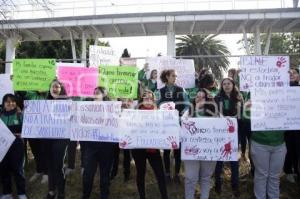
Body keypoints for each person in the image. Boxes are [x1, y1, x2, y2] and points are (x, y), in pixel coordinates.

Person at [131, 89, 168, 199]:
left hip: (153, 149)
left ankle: (164, 196)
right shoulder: (134, 113)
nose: (148, 100)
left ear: (153, 100)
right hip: (138, 149)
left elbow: (165, 129)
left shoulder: (160, 113)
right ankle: (142, 196)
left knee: (160, 174)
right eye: (145, 98)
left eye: (150, 98)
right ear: (142, 100)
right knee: (140, 173)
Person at [81, 87, 115, 199]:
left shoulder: (112, 108)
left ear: (104, 95)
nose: (96, 94)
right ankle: (86, 195)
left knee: (105, 174)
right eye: (94, 92)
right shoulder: (86, 106)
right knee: (88, 174)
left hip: (106, 147)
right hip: (91, 146)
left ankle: (104, 195)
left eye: (98, 92)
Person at [157, 69, 189, 183]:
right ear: (167, 76)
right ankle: (166, 173)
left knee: (177, 149)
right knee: (166, 150)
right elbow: (157, 105)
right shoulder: (159, 91)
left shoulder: (181, 90)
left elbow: (187, 105)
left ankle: (176, 174)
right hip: (165, 125)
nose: (175, 78)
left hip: (178, 123)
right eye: (173, 76)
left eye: (176, 76)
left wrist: (181, 116)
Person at [184, 89, 217, 199]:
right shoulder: (189, 111)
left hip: (208, 151)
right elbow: (183, 123)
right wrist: (195, 109)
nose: (199, 99)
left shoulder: (215, 112)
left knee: (206, 177)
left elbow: (222, 126)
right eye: (197, 97)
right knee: (190, 177)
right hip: (191, 150)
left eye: (203, 97)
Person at [214, 78, 243, 197]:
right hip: (220, 133)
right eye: (224, 84)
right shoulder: (217, 98)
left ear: (233, 85)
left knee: (234, 160)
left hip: (235, 133)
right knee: (219, 159)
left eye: (229, 84)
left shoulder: (239, 97)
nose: (226, 86)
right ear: (221, 86)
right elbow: (214, 114)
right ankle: (218, 184)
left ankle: (235, 185)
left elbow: (241, 116)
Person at [45, 80, 69, 199]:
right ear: (49, 89)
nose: (54, 89)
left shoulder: (67, 103)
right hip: (47, 138)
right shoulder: (43, 103)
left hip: (61, 138)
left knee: (58, 165)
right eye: (52, 87)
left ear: (61, 89)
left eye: (57, 87)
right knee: (50, 165)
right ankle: (51, 191)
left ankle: (61, 192)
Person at [0, 94, 27, 199]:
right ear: (3, 103)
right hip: (2, 146)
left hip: (17, 145)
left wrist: (22, 133)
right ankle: (7, 193)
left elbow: (28, 128)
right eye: (7, 101)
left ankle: (21, 193)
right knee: (3, 168)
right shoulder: (0, 115)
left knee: (18, 169)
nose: (10, 103)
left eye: (13, 101)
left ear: (16, 103)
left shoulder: (19, 114)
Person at [24, 91, 49, 184]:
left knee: (44, 150)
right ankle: (39, 170)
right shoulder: (27, 91)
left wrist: (45, 91)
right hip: (31, 124)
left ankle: (46, 172)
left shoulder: (48, 91)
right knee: (35, 149)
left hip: (44, 124)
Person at [284, 68, 300, 183]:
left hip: (298, 125)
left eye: (294, 73)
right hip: (287, 125)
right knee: (289, 148)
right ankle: (288, 171)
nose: (292, 75)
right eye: (289, 73)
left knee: (298, 149)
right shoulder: (283, 88)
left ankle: (297, 171)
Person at [110, 98, 133, 182]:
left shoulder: (130, 103)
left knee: (126, 154)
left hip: (126, 133)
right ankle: (113, 172)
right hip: (116, 132)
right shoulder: (114, 102)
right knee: (115, 154)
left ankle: (126, 173)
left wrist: (128, 107)